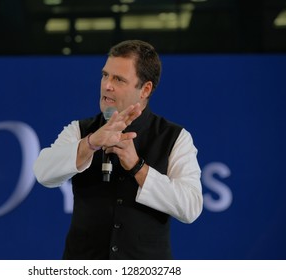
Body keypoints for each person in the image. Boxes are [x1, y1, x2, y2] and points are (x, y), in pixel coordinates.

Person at [33, 40, 203, 260]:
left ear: (145, 89)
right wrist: (91, 143)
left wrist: (137, 167)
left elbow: (190, 207)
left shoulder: (175, 137)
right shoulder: (81, 130)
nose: (107, 86)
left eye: (118, 79)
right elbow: (43, 172)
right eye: (105, 75)